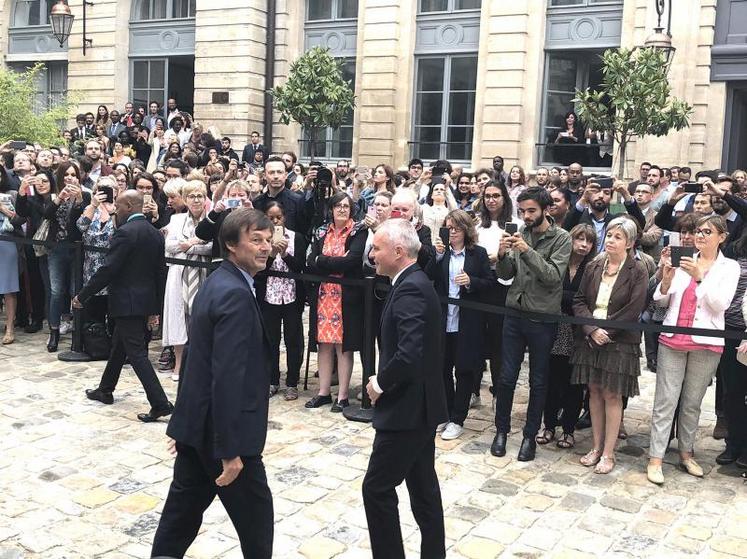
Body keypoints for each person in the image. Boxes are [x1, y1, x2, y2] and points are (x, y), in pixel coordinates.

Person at [151, 208, 274, 558]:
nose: (265, 247)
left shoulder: (220, 282)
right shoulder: (232, 293)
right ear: (232, 245)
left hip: (198, 431)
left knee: (178, 524)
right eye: (256, 240)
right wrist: (229, 450)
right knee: (257, 527)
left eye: (267, 240)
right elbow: (226, 377)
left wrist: (184, 424)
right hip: (224, 438)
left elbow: (195, 359)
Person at [363, 218, 448, 559]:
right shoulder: (410, 281)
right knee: (423, 488)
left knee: (377, 489)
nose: (372, 254)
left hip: (407, 409)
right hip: (419, 407)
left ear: (398, 252)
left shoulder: (411, 287)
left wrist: (380, 383)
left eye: (378, 248)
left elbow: (410, 352)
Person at [647, 215, 740, 484]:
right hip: (673, 338)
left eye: (707, 231)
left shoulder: (729, 267)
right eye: (698, 231)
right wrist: (665, 280)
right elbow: (662, 301)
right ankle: (655, 457)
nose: (699, 235)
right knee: (665, 401)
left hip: (707, 342)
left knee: (691, 403)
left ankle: (686, 453)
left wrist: (700, 278)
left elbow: (720, 305)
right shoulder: (684, 258)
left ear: (722, 237)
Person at [75, 190, 173, 422]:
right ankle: (105, 389)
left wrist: (83, 295)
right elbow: (160, 274)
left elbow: (108, 269)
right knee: (119, 347)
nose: (115, 210)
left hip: (126, 303)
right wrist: (155, 308)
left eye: (118, 206)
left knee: (137, 354)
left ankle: (160, 403)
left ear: (129, 206)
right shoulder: (155, 233)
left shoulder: (125, 233)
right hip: (143, 302)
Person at [492, 187, 572, 462]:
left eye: (531, 211)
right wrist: (502, 256)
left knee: (538, 380)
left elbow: (552, 276)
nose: (526, 216)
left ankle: (529, 436)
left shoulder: (561, 239)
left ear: (546, 210)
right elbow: (506, 275)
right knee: (506, 377)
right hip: (514, 313)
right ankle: (501, 431)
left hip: (542, 317)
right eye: (522, 211)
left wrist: (525, 251)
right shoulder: (520, 233)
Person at [570, 217, 648, 474]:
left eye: (618, 237)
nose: (611, 240)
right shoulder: (594, 266)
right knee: (593, 390)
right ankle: (595, 445)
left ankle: (609, 452)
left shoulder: (638, 270)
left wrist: (607, 330)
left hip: (620, 341)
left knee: (612, 394)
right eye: (610, 235)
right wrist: (592, 328)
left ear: (630, 243)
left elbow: (634, 309)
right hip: (590, 336)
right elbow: (579, 300)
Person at [429, 209, 494, 440]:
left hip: (467, 322)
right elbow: (429, 277)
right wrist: (436, 256)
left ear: (466, 230)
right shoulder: (441, 253)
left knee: (464, 370)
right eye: (448, 229)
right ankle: (445, 413)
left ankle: (458, 418)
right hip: (443, 320)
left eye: (456, 229)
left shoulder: (479, 254)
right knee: (442, 369)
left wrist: (471, 282)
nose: (452, 233)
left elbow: (489, 283)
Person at [536, 224, 597, 450]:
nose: (583, 245)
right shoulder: (559, 261)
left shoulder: (592, 268)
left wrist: (565, 298)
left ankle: (569, 429)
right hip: (553, 327)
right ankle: (549, 425)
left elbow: (587, 299)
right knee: (551, 379)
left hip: (579, 331)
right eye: (579, 239)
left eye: (588, 241)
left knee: (574, 382)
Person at [305, 192, 366, 411]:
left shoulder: (359, 231)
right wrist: (331, 262)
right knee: (324, 345)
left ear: (352, 210)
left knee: (344, 346)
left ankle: (342, 396)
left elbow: (352, 261)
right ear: (331, 209)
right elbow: (311, 261)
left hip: (346, 297)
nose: (342, 209)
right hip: (323, 295)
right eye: (338, 206)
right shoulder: (321, 231)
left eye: (346, 206)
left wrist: (324, 261)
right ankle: (323, 393)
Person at [256, 201, 307, 401]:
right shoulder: (260, 240)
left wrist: (284, 254)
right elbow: (259, 270)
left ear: (284, 217)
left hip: (292, 295)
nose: (275, 221)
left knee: (294, 340)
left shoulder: (297, 238)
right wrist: (271, 255)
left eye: (279, 217)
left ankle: (292, 382)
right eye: (271, 217)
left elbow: (300, 267)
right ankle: (272, 380)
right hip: (269, 295)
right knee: (271, 340)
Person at [162, 181, 212, 381]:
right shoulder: (176, 220)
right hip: (179, 273)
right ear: (185, 199)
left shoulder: (211, 220)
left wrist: (190, 246)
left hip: (205, 274)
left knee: (201, 317)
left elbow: (212, 247)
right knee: (179, 316)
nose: (196, 200)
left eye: (200, 195)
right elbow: (169, 246)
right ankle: (179, 365)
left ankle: (200, 365)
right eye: (191, 196)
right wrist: (194, 244)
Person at [0, 168, 19, 344]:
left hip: (6, 241)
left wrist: (2, 208)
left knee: (8, 287)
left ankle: (10, 328)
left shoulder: (11, 193)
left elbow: (19, 219)